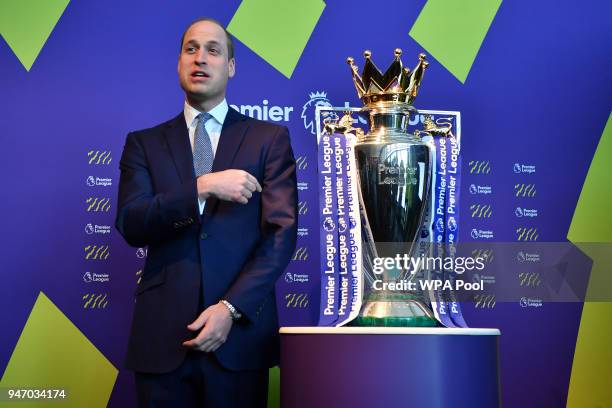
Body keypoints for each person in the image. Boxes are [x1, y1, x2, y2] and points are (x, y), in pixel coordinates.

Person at [115, 17, 298, 408]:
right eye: (191, 49)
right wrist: (202, 186)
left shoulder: (269, 140)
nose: (201, 58)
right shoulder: (143, 144)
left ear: (230, 66)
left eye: (213, 50)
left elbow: (281, 235)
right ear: (179, 61)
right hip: (162, 341)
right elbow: (131, 222)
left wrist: (231, 309)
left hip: (240, 341)